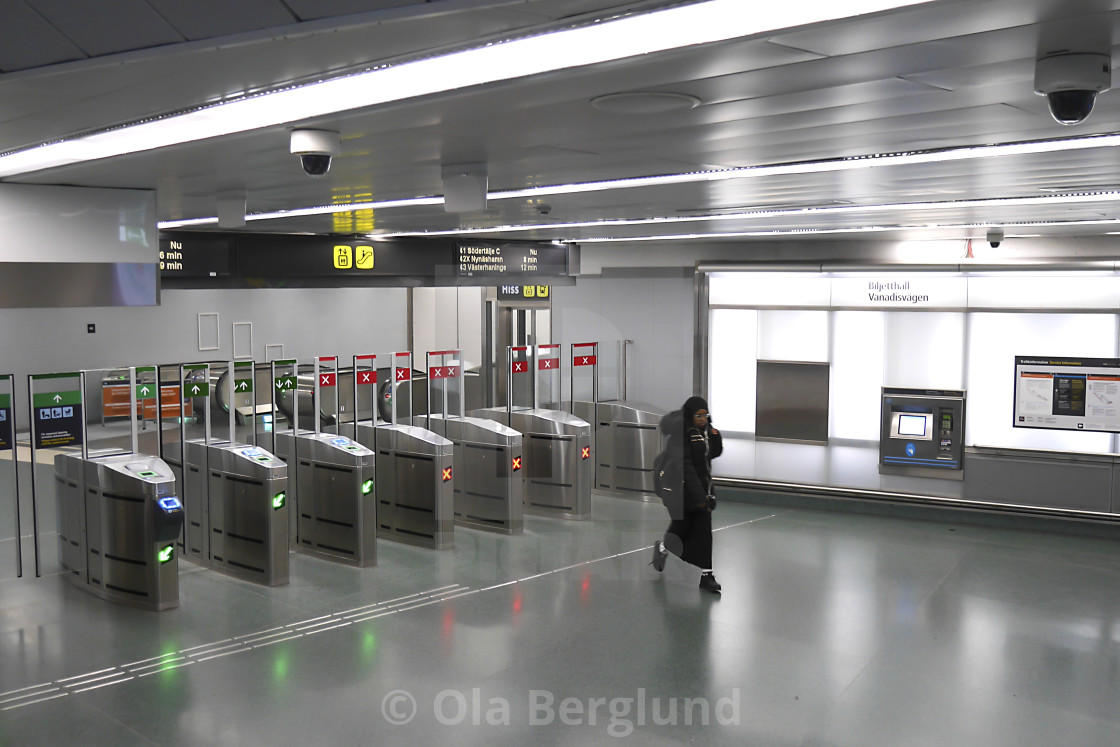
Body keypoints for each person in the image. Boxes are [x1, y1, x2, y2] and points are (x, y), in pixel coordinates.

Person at [651, 395, 723, 593]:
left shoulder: (705, 431)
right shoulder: (680, 435)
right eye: (698, 415)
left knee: (704, 533)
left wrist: (715, 437)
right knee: (681, 529)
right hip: (681, 493)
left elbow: (712, 454)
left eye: (705, 415)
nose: (703, 419)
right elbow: (686, 467)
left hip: (701, 492)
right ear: (690, 415)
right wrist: (699, 496)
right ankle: (663, 548)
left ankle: (707, 575)